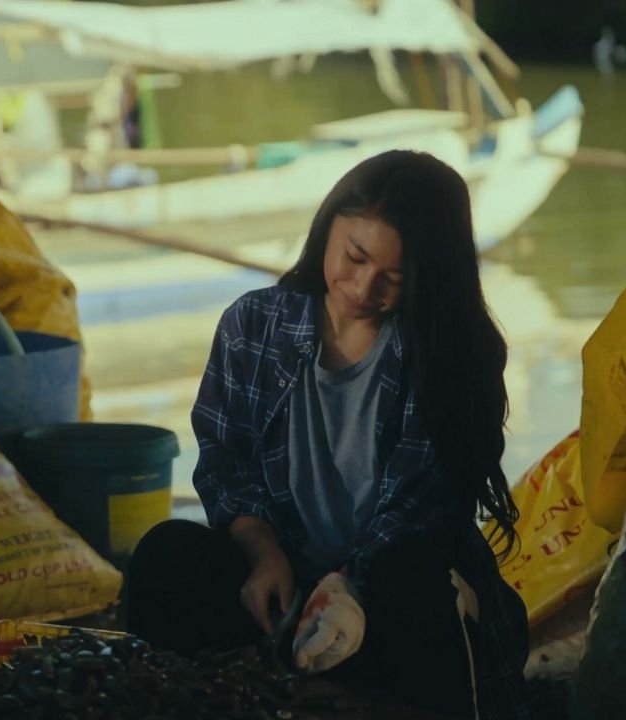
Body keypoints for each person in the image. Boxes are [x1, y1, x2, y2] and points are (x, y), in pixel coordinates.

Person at [127, 150, 529, 719]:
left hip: (387, 590)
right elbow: (224, 462)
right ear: (327, 228)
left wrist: (345, 590)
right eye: (355, 257)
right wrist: (263, 553)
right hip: (283, 584)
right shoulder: (252, 325)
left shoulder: (449, 356)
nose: (363, 287)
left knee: (411, 576)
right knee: (166, 554)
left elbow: (419, 510)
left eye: (394, 278)